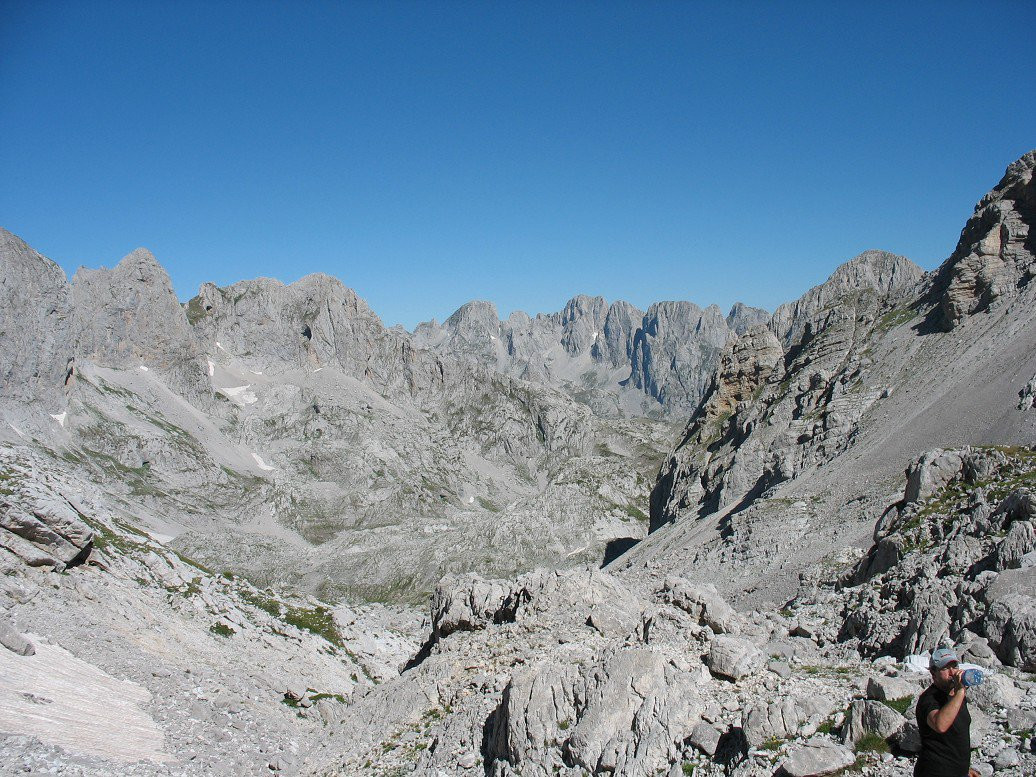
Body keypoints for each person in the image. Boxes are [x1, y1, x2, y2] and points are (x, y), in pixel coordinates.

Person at [914, 647, 979, 777]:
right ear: (934, 673)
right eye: (945, 668)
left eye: (954, 666)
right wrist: (960, 692)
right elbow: (940, 725)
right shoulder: (929, 699)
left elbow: (956, 737)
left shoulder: (956, 696)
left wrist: (964, 769)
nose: (952, 673)